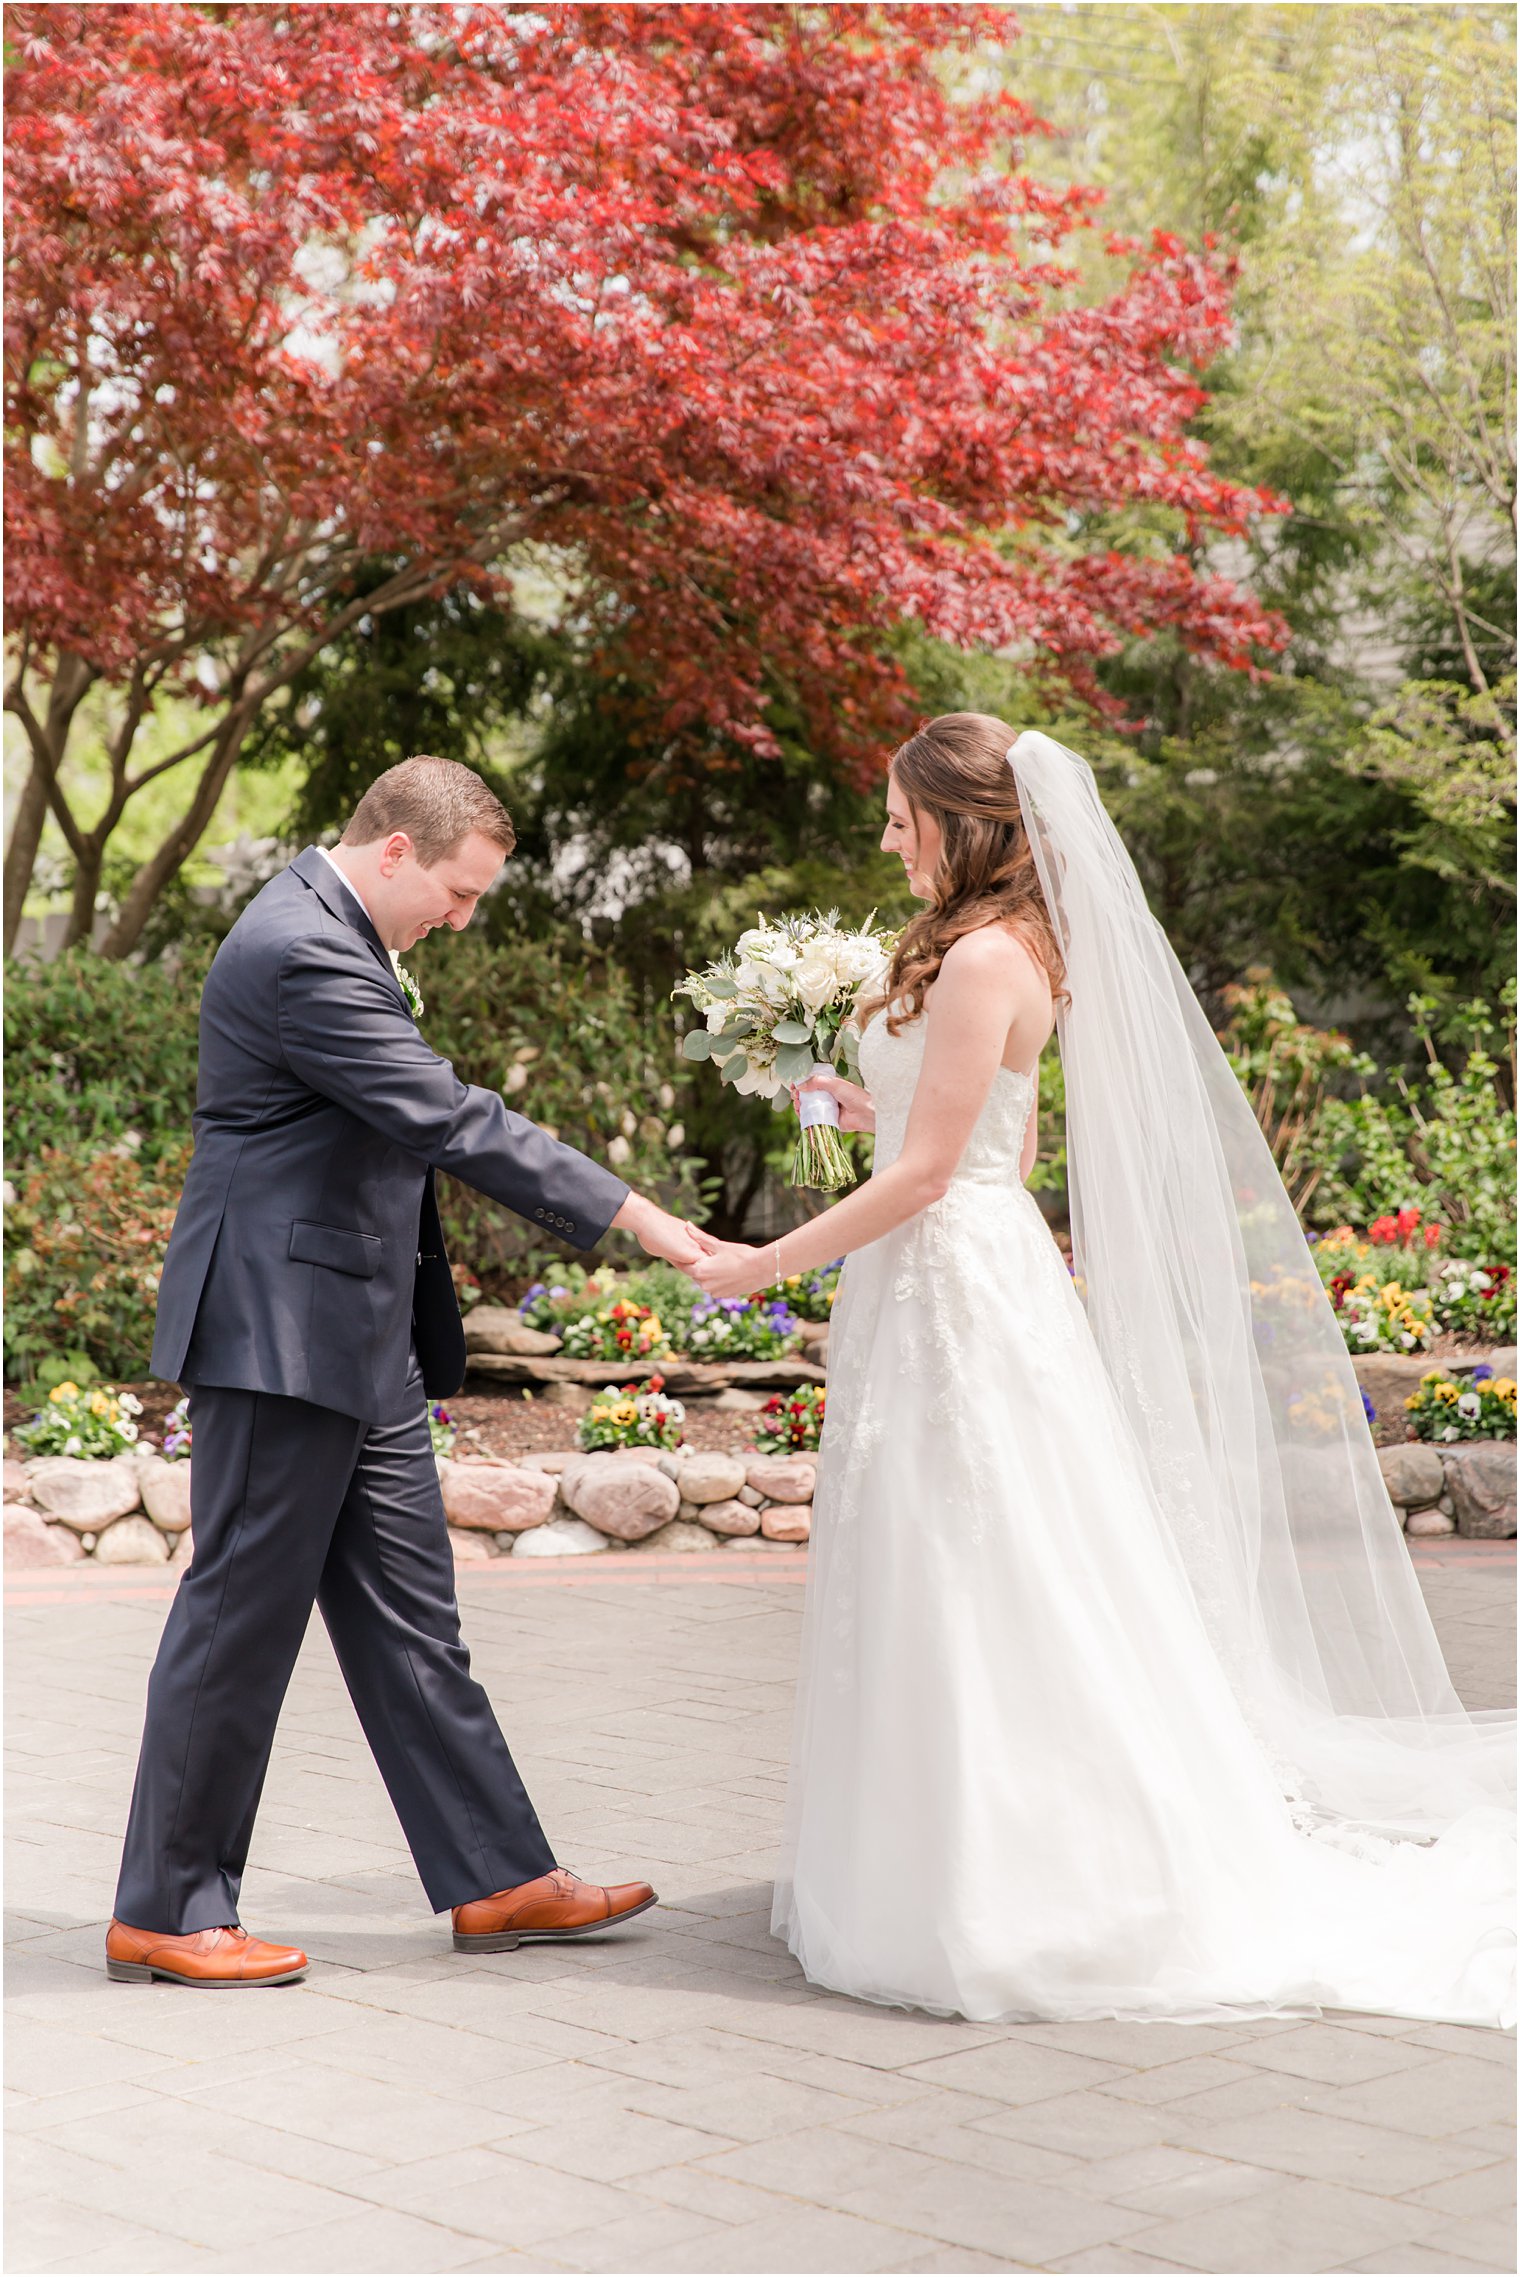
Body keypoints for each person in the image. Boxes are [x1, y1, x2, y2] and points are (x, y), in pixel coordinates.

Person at [692, 714, 1515, 2029]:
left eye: (902, 815)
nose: (886, 835)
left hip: (952, 1281)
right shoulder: (1014, 950)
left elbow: (926, 1176)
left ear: (965, 819)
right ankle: (949, 1854)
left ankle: (1019, 1883)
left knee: (984, 1563)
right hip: (962, 1268)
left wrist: (763, 1261)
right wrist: (855, 1108)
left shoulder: (977, 959)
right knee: (961, 1553)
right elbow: (992, 1158)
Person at [108, 756, 713, 1989]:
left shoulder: (342, 926)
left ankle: (497, 1877)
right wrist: (643, 1219)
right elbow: (446, 1116)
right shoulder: (299, 947)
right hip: (277, 1334)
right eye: (457, 891)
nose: (460, 915)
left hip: (356, 1336)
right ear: (392, 850)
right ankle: (166, 1909)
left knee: (409, 1623)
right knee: (239, 1621)